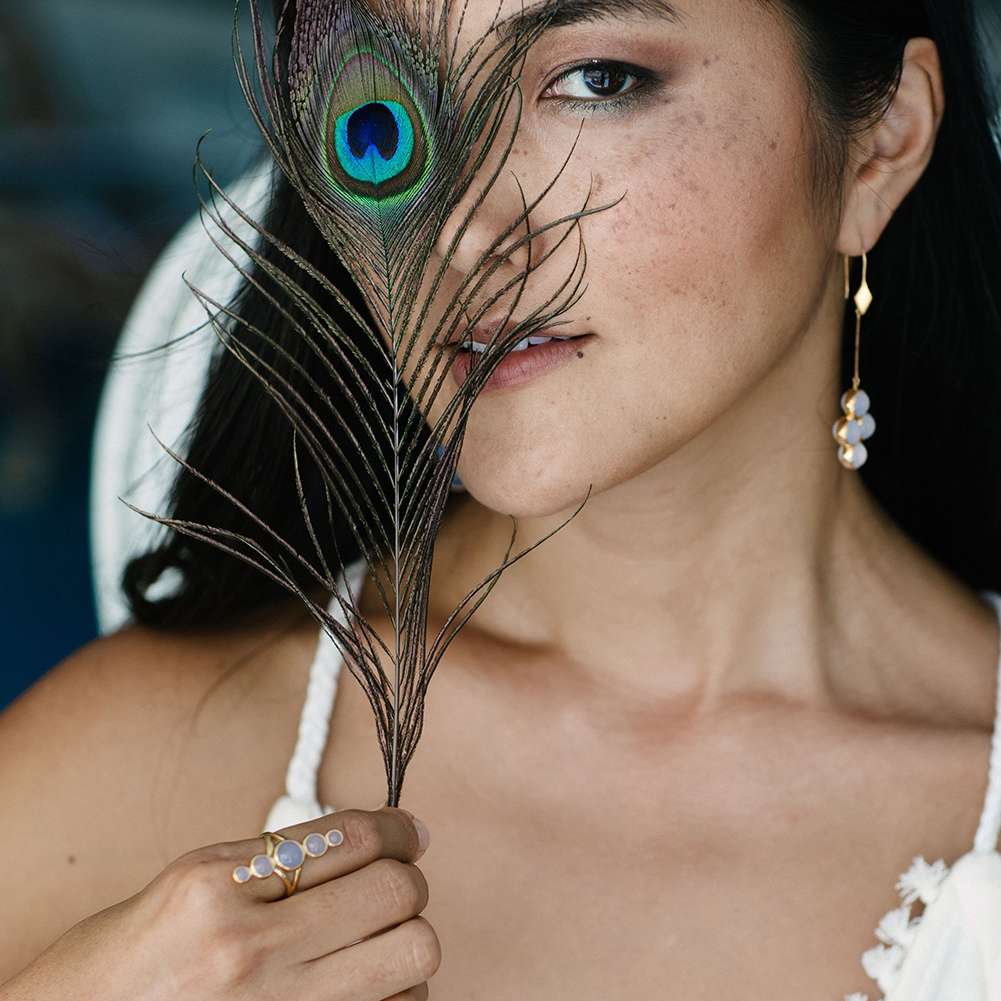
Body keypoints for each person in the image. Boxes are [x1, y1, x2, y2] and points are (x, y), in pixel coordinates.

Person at [3, 0, 1001, 999]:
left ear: (881, 141)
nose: (462, 229)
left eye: (596, 81)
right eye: (386, 111)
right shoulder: (147, 756)